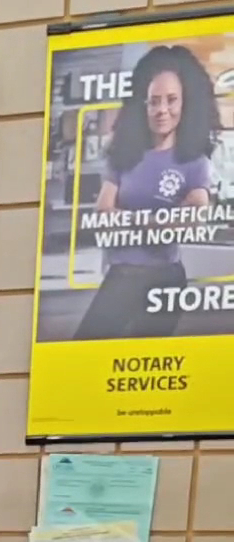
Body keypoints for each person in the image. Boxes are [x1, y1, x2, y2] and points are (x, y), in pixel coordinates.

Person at [74, 44, 218, 342]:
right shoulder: (123, 155)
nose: (162, 110)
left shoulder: (195, 162)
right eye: (154, 101)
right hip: (121, 275)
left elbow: (192, 218)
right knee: (85, 350)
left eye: (171, 100)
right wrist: (158, 222)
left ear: (186, 103)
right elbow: (103, 213)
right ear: (143, 104)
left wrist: (129, 219)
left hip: (166, 278)